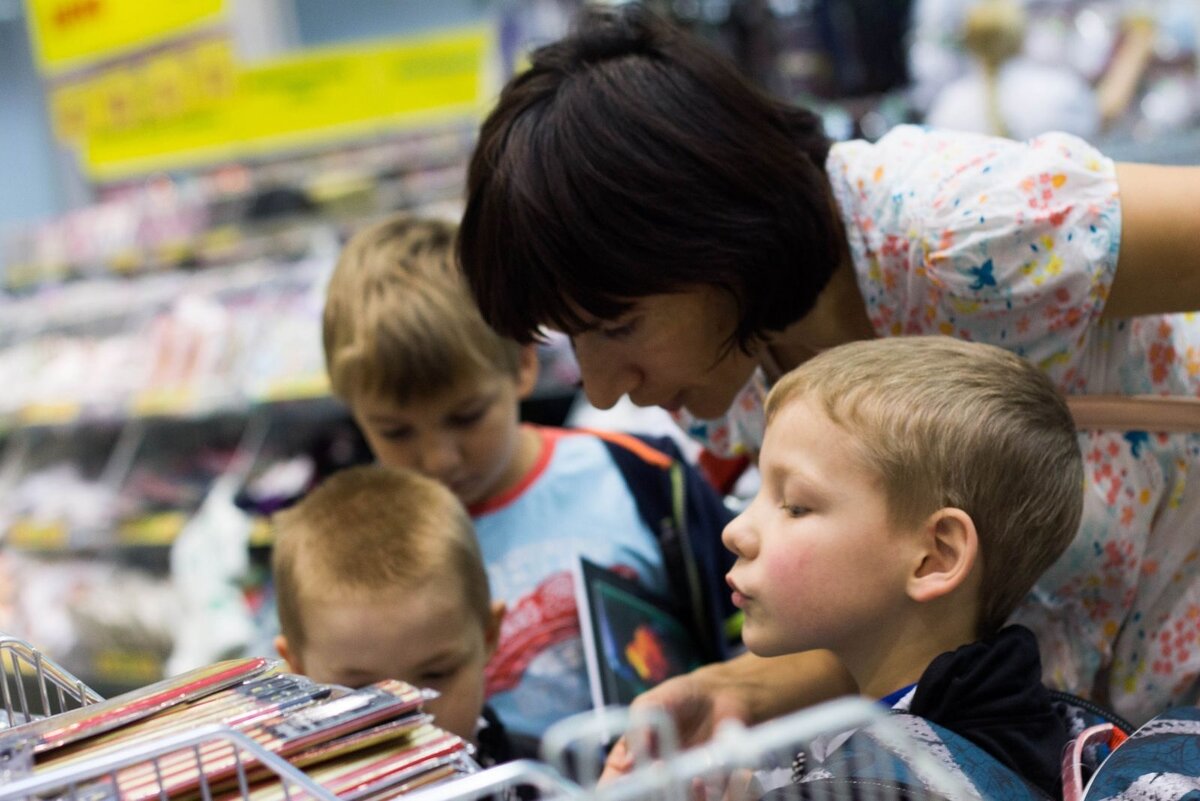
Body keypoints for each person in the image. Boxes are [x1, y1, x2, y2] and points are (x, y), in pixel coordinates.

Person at [456, 2, 1200, 733]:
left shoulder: (961, 228)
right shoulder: (738, 376)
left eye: (619, 324)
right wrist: (740, 690)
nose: (606, 388)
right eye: (572, 338)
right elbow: (914, 613)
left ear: (712, 238)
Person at [322, 213, 737, 743]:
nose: (439, 459)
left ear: (522, 364)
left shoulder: (641, 474)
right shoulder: (352, 549)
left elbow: (747, 632)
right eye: (395, 431)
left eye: (466, 417)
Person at [730, 337, 1082, 796]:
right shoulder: (1026, 729)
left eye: (795, 506)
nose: (736, 531)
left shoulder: (890, 786)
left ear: (935, 557)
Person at [270, 464, 517, 763]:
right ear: (298, 670)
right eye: (362, 690)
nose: (407, 712)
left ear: (488, 636)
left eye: (435, 675)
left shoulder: (499, 749)